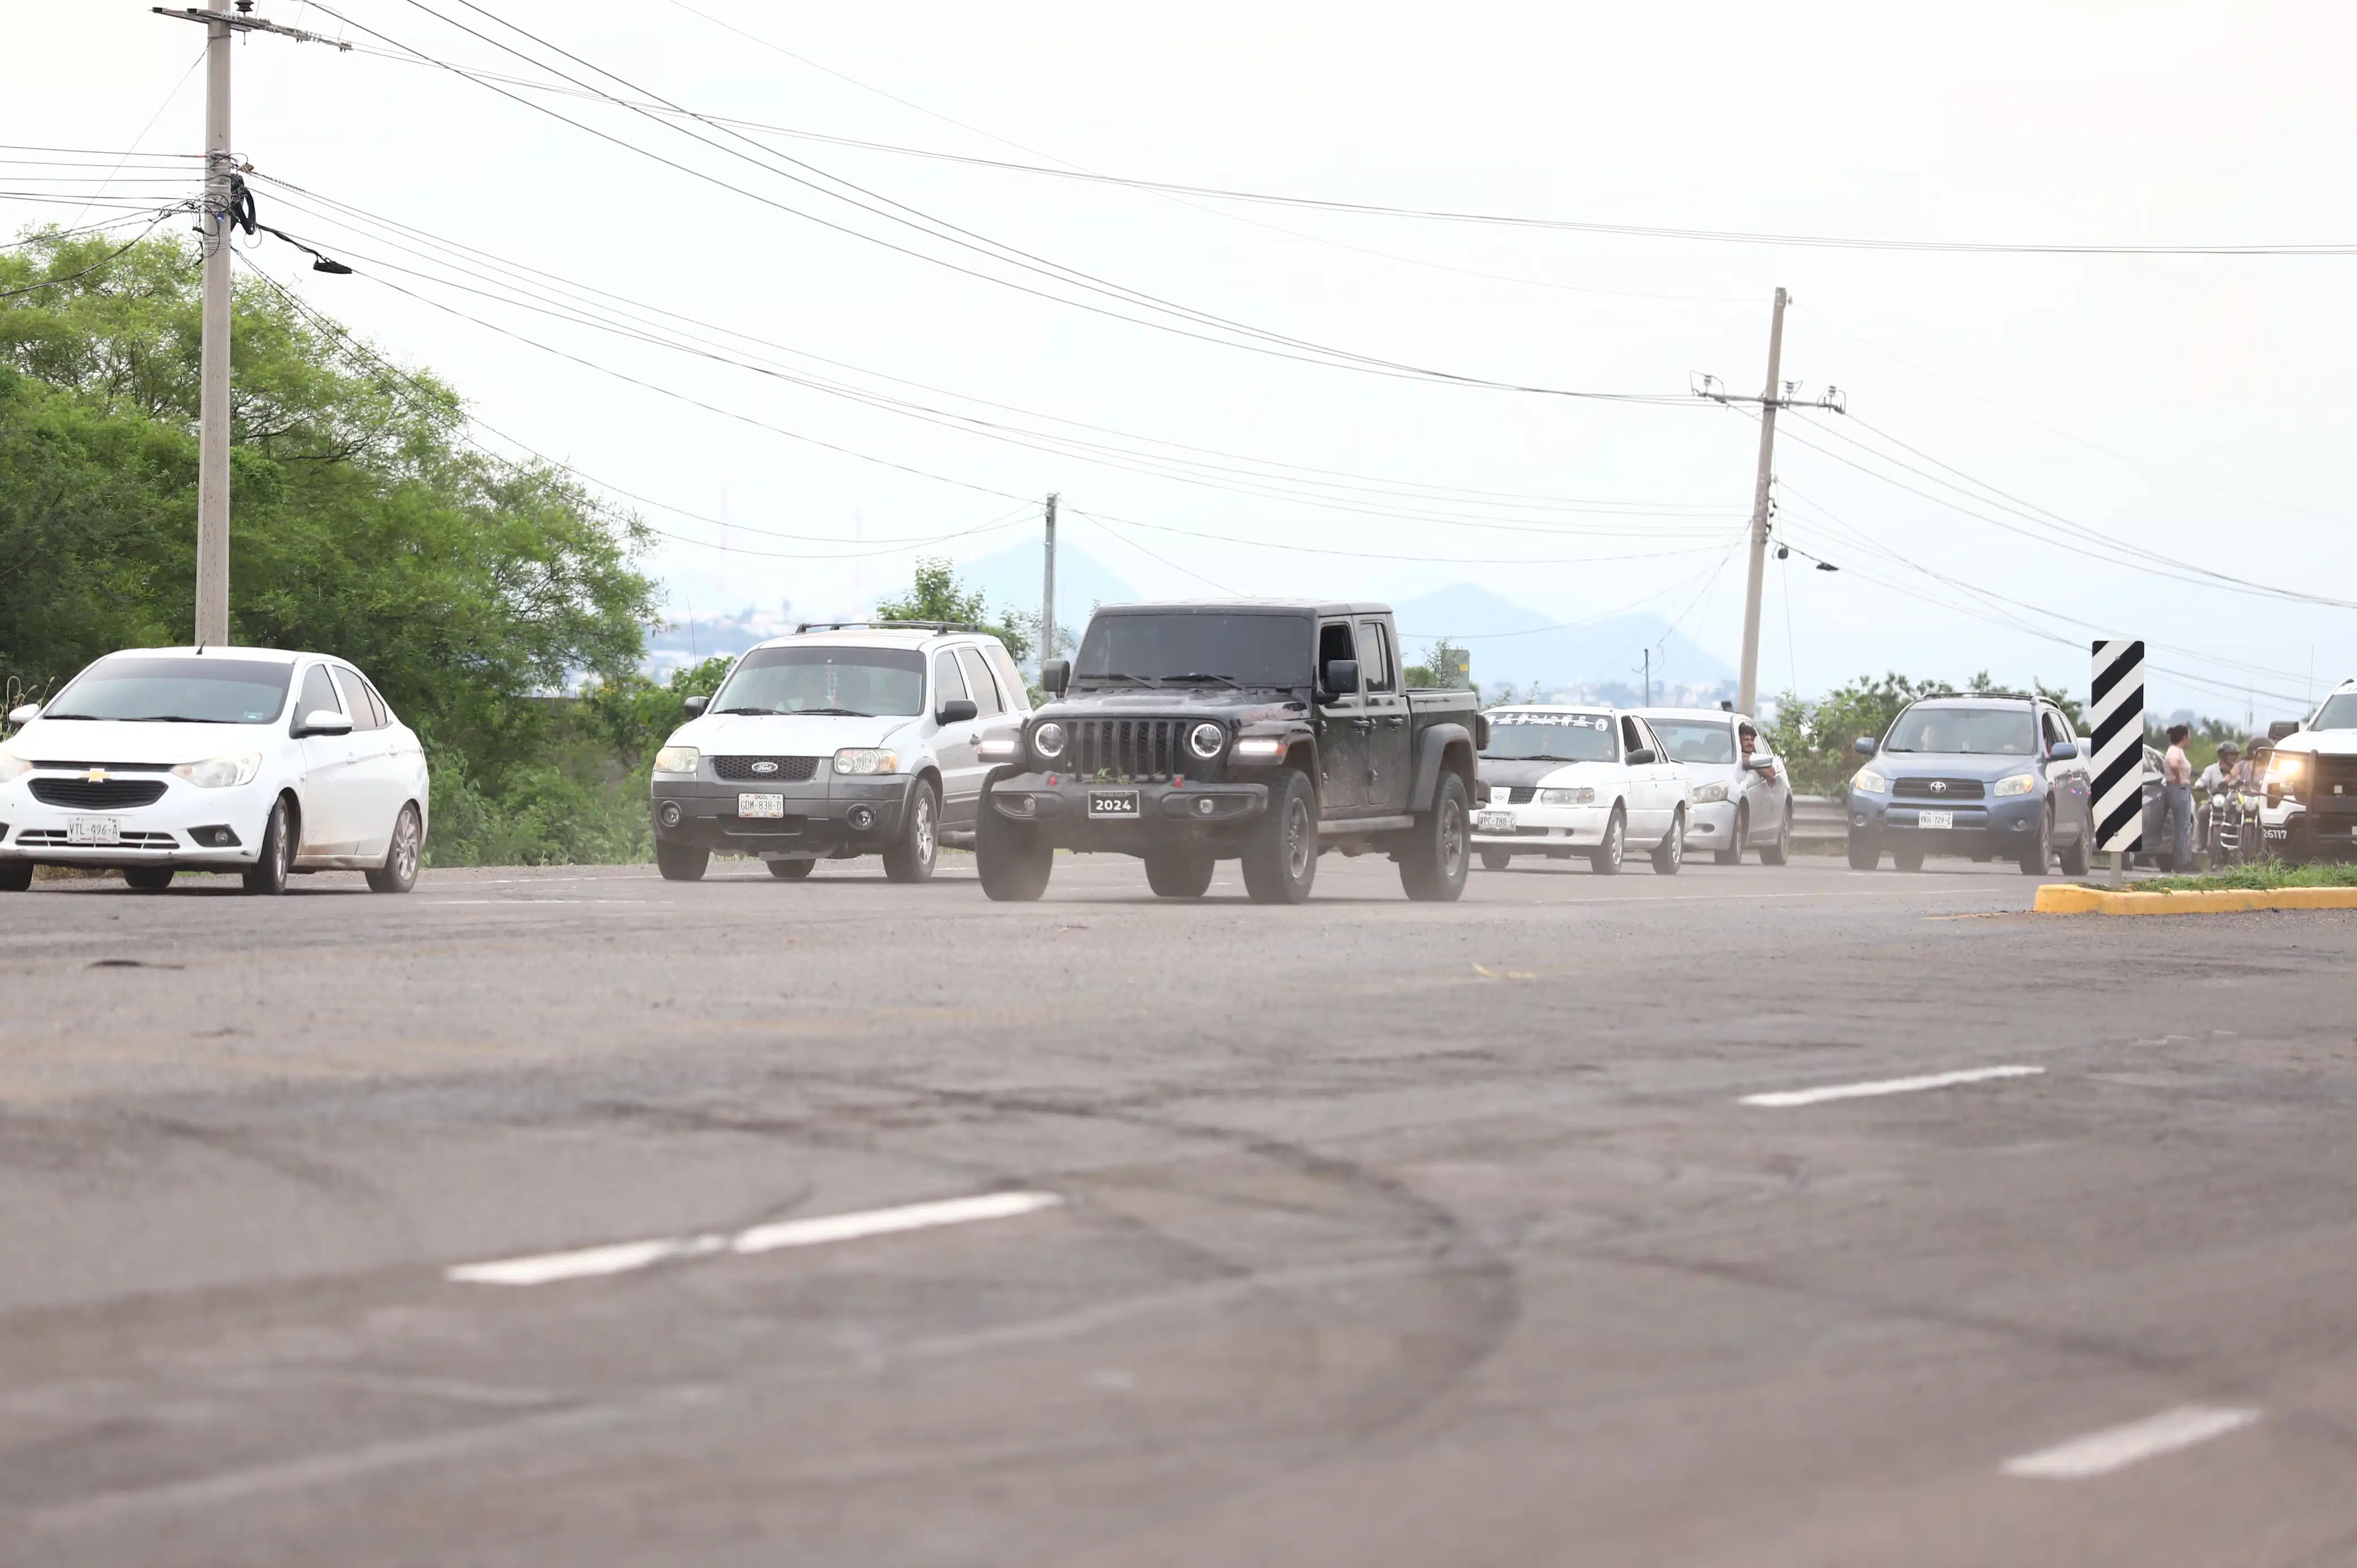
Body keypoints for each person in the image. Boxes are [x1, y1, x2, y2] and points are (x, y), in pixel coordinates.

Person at [2196, 741, 2241, 857]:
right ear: (2222, 755)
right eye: (2231, 754)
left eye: (2236, 755)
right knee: (2202, 812)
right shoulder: (2211, 769)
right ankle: (2202, 844)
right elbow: (2203, 781)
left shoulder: (2239, 770)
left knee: (2243, 814)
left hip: (2233, 803)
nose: (2234, 757)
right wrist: (2199, 785)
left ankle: (2241, 846)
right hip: (2215, 802)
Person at [2161, 723, 2195, 871]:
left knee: (2182, 826)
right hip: (2179, 789)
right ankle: (2182, 862)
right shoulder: (2175, 751)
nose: (2190, 739)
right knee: (2183, 827)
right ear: (2184, 737)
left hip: (2178, 788)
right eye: (2189, 735)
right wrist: (2179, 778)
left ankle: (2181, 859)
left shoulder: (2176, 750)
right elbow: (2173, 764)